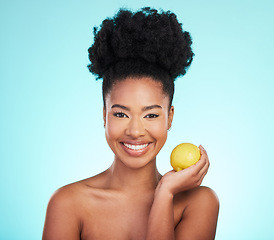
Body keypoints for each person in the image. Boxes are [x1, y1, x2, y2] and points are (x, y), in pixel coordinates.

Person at [42, 7, 219, 240]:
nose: (135, 131)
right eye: (121, 114)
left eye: (151, 115)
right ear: (105, 115)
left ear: (170, 118)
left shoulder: (199, 202)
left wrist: (165, 193)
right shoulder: (67, 203)